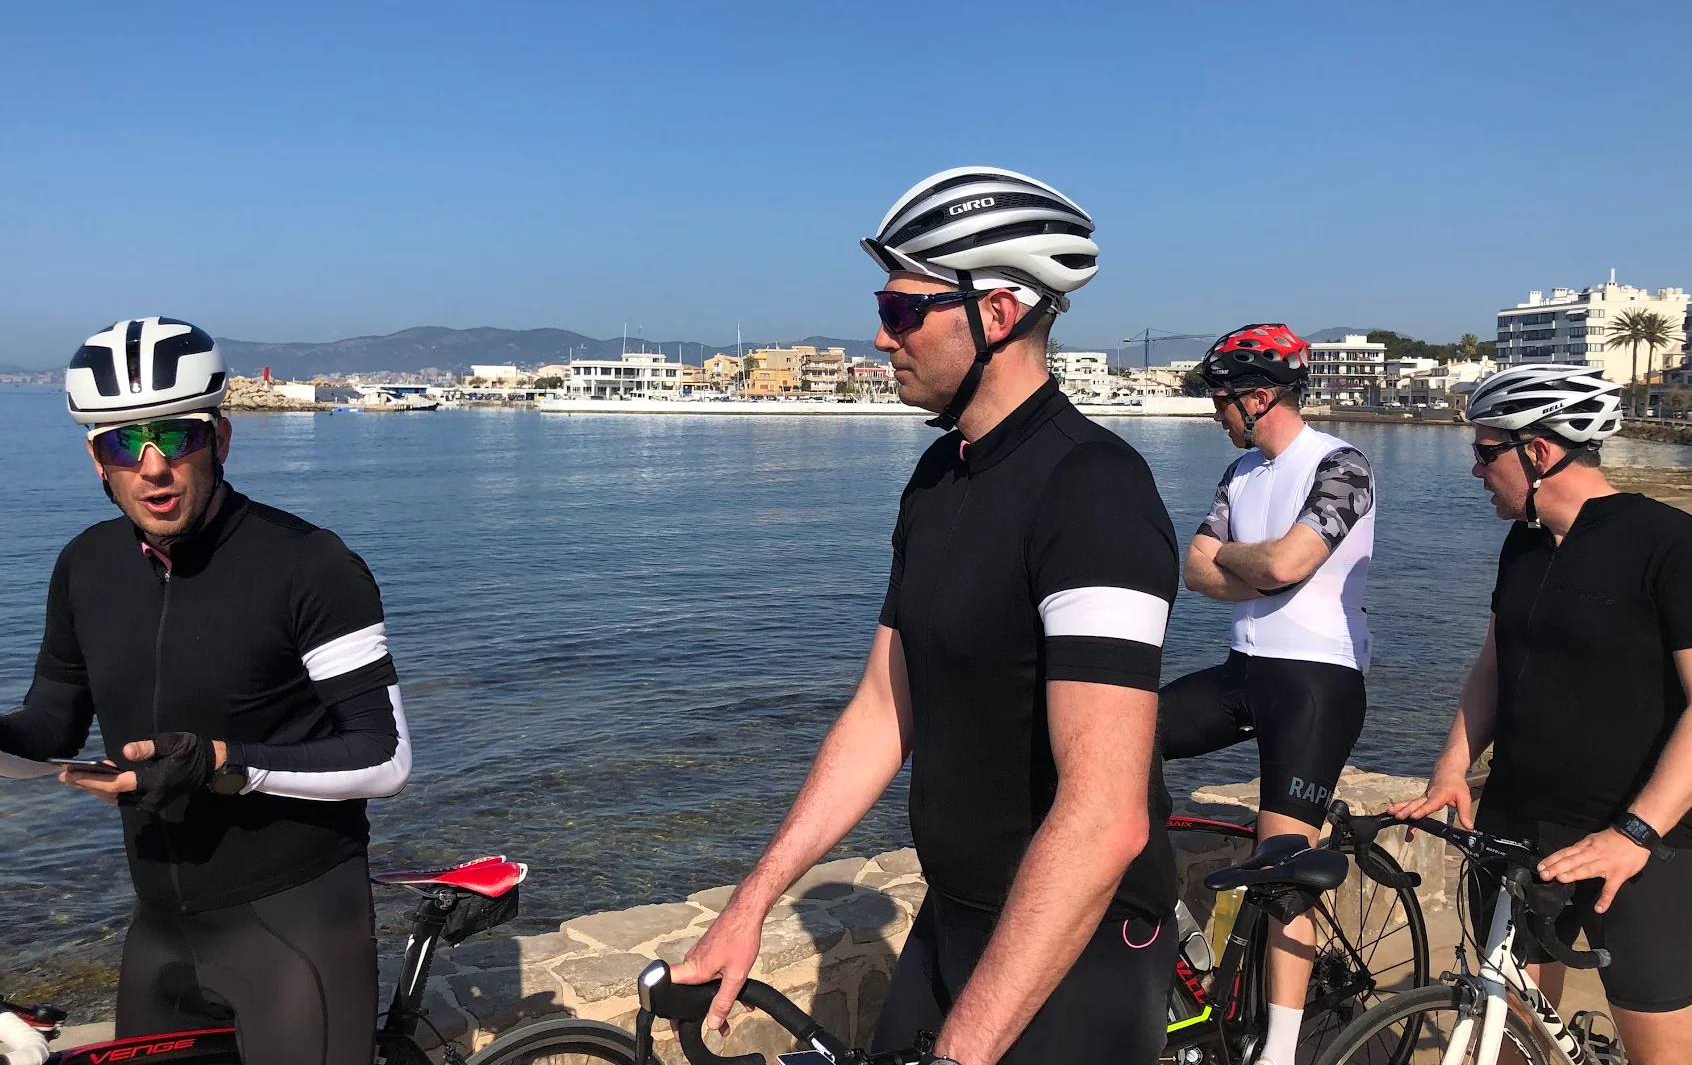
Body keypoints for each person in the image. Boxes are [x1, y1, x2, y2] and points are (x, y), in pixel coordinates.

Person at [673, 168, 1181, 1065]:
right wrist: (751, 900)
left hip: (1078, 946)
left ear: (997, 314)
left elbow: (1106, 817)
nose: (881, 335)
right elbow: (882, 711)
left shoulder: (1095, 493)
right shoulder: (939, 477)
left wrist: (962, 1052)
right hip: (953, 921)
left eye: (902, 310)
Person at [0, 317, 411, 1065]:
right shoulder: (86, 566)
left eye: (175, 437)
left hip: (300, 922)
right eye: (123, 444)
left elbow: (384, 757)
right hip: (162, 931)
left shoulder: (312, 565)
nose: (153, 468)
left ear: (220, 440)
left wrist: (221, 763)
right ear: (96, 460)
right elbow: (49, 732)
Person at [1394, 364, 1692, 1064]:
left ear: (1537, 450)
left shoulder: (1669, 544)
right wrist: (1451, 768)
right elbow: (1494, 665)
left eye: (1484, 451)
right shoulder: (1524, 544)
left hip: (1638, 844)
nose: (1475, 471)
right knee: (1514, 1037)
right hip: (1518, 826)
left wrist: (1636, 833)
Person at [1159, 323, 1375, 1065]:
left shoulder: (1341, 465)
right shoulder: (1240, 472)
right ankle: (1171, 925)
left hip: (1317, 680)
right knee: (1119, 742)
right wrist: (1251, 566)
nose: (1215, 414)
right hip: (1243, 669)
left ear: (1256, 398)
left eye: (1221, 400)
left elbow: (1288, 564)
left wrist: (1239, 560)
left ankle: (1279, 1051)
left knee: (1284, 871)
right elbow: (1196, 571)